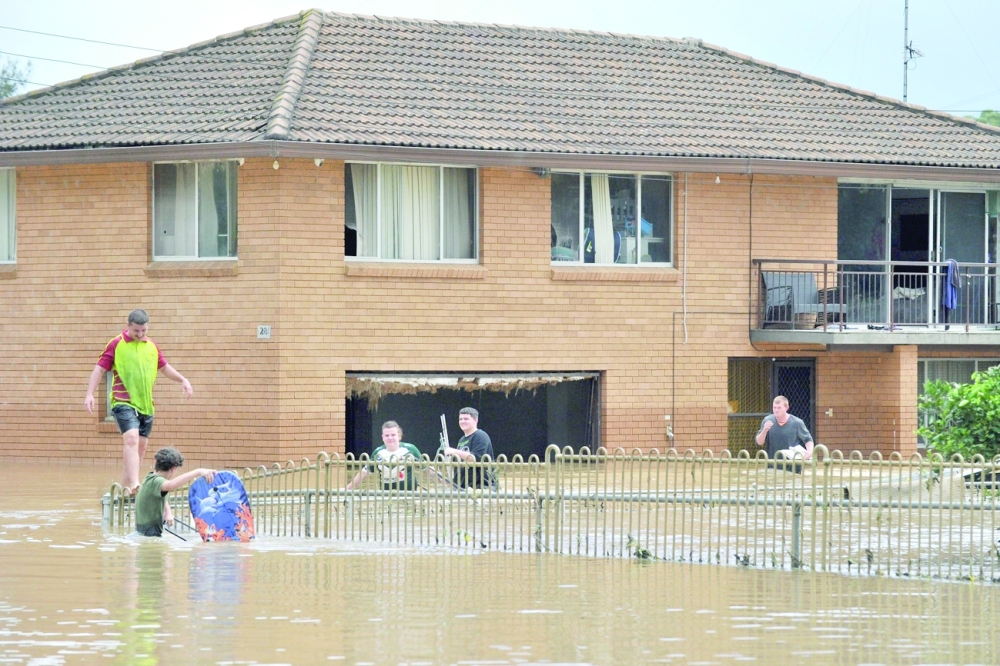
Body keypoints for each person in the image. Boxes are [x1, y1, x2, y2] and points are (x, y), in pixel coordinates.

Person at [84, 309, 194, 495]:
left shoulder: (151, 346)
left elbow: (165, 368)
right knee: (132, 439)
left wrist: (183, 380)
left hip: (146, 404)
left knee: (141, 448)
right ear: (128, 327)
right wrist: (90, 394)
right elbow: (99, 370)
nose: (140, 334)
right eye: (136, 331)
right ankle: (136, 484)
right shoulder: (116, 344)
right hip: (122, 401)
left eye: (144, 330)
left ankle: (125, 491)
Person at [134, 447, 216, 537]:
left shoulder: (150, 478)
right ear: (174, 468)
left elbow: (160, 495)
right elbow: (171, 485)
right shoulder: (157, 482)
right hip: (149, 534)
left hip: (143, 531)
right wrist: (198, 471)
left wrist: (167, 511)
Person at [346, 421, 422, 490]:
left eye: (393, 435)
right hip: (385, 497)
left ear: (399, 436)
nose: (390, 438)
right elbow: (365, 472)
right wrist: (347, 488)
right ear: (382, 437)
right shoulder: (378, 453)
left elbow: (427, 469)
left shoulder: (410, 449)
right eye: (387, 435)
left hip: (409, 496)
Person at [442, 407, 496, 488]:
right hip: (463, 488)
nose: (462, 421)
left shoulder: (481, 436)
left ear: (475, 420)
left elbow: (475, 459)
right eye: (460, 419)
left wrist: (453, 451)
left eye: (466, 419)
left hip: (481, 487)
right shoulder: (461, 440)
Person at [755, 395, 815, 461]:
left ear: (786, 408)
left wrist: (810, 452)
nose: (776, 410)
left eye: (779, 408)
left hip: (792, 464)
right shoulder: (767, 420)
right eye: (774, 407)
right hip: (773, 463)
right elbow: (759, 442)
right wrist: (764, 430)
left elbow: (808, 439)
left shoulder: (797, 422)